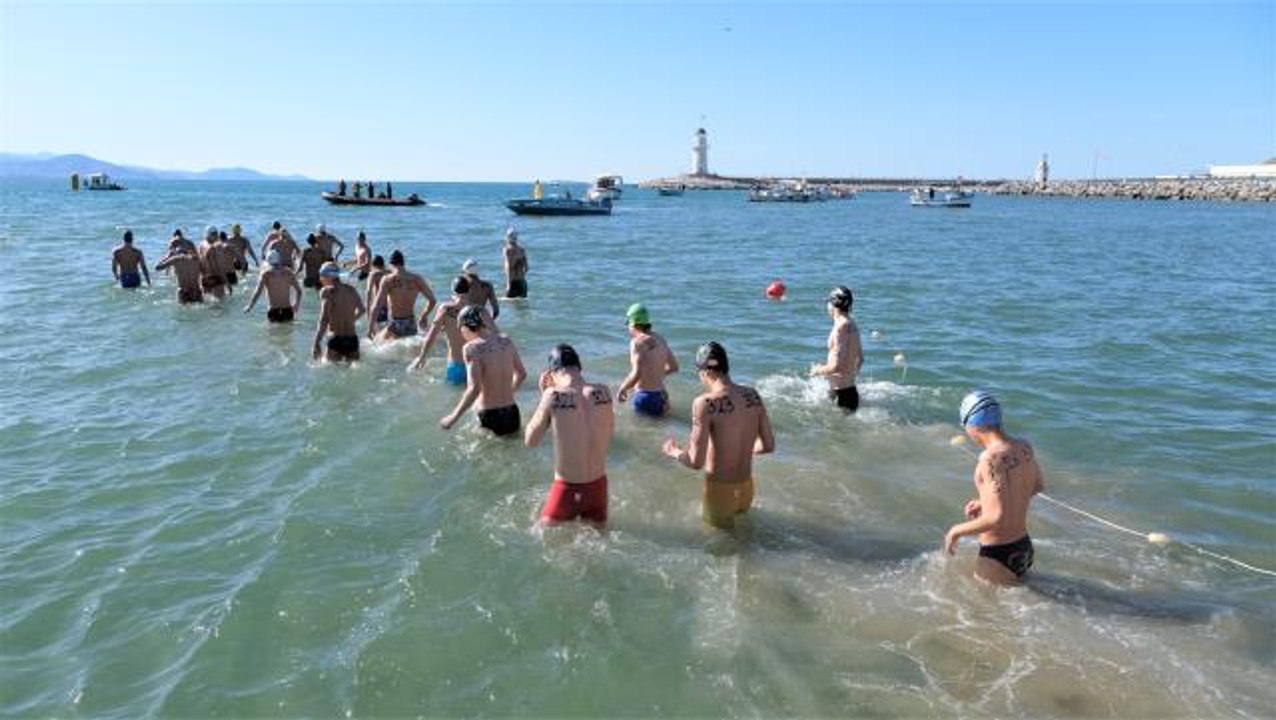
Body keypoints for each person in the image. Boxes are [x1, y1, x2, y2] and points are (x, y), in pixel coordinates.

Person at [662, 342, 775, 529]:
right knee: (745, 541)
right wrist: (743, 448)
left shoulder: (704, 403)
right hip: (746, 489)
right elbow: (768, 445)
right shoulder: (753, 395)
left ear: (706, 372)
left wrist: (674, 452)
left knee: (720, 550)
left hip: (720, 492)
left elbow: (696, 462)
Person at [943, 391, 1044, 584]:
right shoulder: (1024, 447)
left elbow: (994, 518)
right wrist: (986, 501)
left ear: (973, 426)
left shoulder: (988, 460)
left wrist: (956, 530)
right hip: (1024, 547)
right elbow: (1037, 486)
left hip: (997, 554)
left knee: (982, 612)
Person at [525, 344, 615, 526]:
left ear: (552, 373)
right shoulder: (604, 392)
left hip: (567, 490)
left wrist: (543, 397)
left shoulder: (552, 395)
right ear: (579, 368)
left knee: (542, 537)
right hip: (599, 488)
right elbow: (609, 430)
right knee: (597, 543)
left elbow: (530, 440)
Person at [440, 306, 527, 436]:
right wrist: (509, 392)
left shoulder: (471, 348)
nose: (462, 334)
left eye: (461, 329)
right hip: (512, 412)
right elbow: (521, 374)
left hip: (489, 415)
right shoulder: (506, 341)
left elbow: (474, 389)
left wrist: (453, 417)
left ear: (466, 327)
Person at [617, 303, 679, 418]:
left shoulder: (636, 342)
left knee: (641, 431)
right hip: (662, 396)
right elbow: (674, 367)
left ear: (633, 324)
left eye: (628, 324)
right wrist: (657, 374)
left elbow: (636, 374)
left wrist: (623, 389)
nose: (628, 328)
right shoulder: (661, 339)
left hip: (644, 397)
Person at [809, 286, 864, 411]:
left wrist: (817, 370)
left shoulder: (840, 327)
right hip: (851, 392)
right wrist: (848, 377)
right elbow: (860, 359)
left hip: (840, 396)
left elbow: (836, 366)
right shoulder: (853, 324)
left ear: (833, 304)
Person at [409, 275, 472, 385]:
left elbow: (431, 335)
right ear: (469, 291)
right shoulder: (477, 310)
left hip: (455, 364)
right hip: (475, 365)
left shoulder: (445, 309)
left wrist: (422, 357)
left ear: (453, 292)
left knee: (454, 399)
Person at [368, 250, 436, 340]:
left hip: (394, 324)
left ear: (391, 264)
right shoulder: (417, 279)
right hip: (411, 324)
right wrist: (424, 316)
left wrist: (370, 328)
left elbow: (377, 305)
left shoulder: (387, 280)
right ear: (403, 263)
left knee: (378, 344)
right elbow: (433, 300)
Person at [312, 262, 366, 363]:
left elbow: (324, 318)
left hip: (336, 339)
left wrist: (316, 342)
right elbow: (362, 310)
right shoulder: (351, 290)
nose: (320, 279)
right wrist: (351, 320)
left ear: (329, 276)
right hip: (352, 340)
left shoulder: (326, 292)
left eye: (322, 276)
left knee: (331, 374)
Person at [244, 249, 303, 322]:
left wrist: (250, 306)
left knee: (273, 332)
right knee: (288, 332)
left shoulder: (266, 274)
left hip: (273, 310)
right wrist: (297, 304)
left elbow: (258, 291)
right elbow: (299, 291)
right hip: (287, 309)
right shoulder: (289, 272)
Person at [197, 226, 236, 299]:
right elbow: (219, 267)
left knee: (208, 305)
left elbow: (199, 263)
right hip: (216, 277)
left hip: (205, 278)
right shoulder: (216, 247)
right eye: (213, 234)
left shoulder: (201, 245)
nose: (215, 236)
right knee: (221, 306)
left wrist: (199, 279)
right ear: (208, 235)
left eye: (216, 234)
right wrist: (227, 283)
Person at [502, 228, 529, 298]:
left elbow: (508, 266)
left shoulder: (507, 250)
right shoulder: (522, 249)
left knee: (510, 305)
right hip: (523, 283)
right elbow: (527, 268)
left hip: (512, 282)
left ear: (507, 238)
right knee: (523, 306)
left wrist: (508, 283)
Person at [365, 255, 389, 329]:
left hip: (378, 306)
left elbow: (368, 291)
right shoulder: (389, 272)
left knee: (378, 331)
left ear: (373, 265)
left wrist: (368, 309)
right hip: (389, 306)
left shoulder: (373, 274)